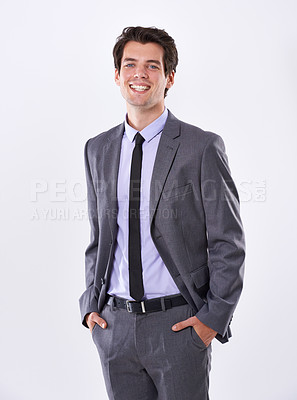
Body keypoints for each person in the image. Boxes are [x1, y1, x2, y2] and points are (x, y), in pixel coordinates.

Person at [79, 26, 245, 400]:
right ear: (117, 75)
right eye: (130, 64)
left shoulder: (200, 147)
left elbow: (227, 243)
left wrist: (210, 321)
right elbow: (98, 237)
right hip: (114, 327)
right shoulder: (97, 149)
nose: (140, 74)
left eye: (152, 66)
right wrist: (92, 308)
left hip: (178, 327)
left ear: (169, 77)